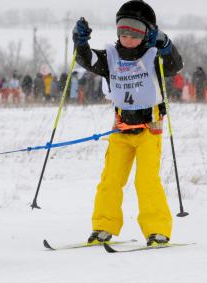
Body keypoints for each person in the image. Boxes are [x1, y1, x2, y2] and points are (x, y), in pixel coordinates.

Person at [73, 0, 183, 246]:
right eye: (122, 31)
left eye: (135, 32)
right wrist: (80, 43)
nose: (128, 37)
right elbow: (87, 60)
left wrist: (164, 43)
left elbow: (175, 65)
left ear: (147, 33)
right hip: (121, 129)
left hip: (149, 130)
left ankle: (157, 229)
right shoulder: (110, 57)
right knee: (110, 180)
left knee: (146, 181)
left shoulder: (154, 56)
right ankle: (103, 226)